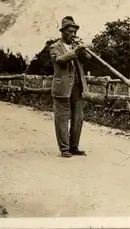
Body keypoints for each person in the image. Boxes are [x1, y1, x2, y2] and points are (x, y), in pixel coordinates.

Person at [49, 16, 91, 158]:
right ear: (63, 32)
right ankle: (65, 149)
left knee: (78, 118)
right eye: (70, 32)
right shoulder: (54, 47)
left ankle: (74, 146)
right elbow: (60, 60)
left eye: (75, 32)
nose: (73, 35)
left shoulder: (76, 46)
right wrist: (76, 51)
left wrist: (84, 50)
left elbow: (88, 60)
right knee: (62, 119)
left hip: (77, 87)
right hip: (62, 88)